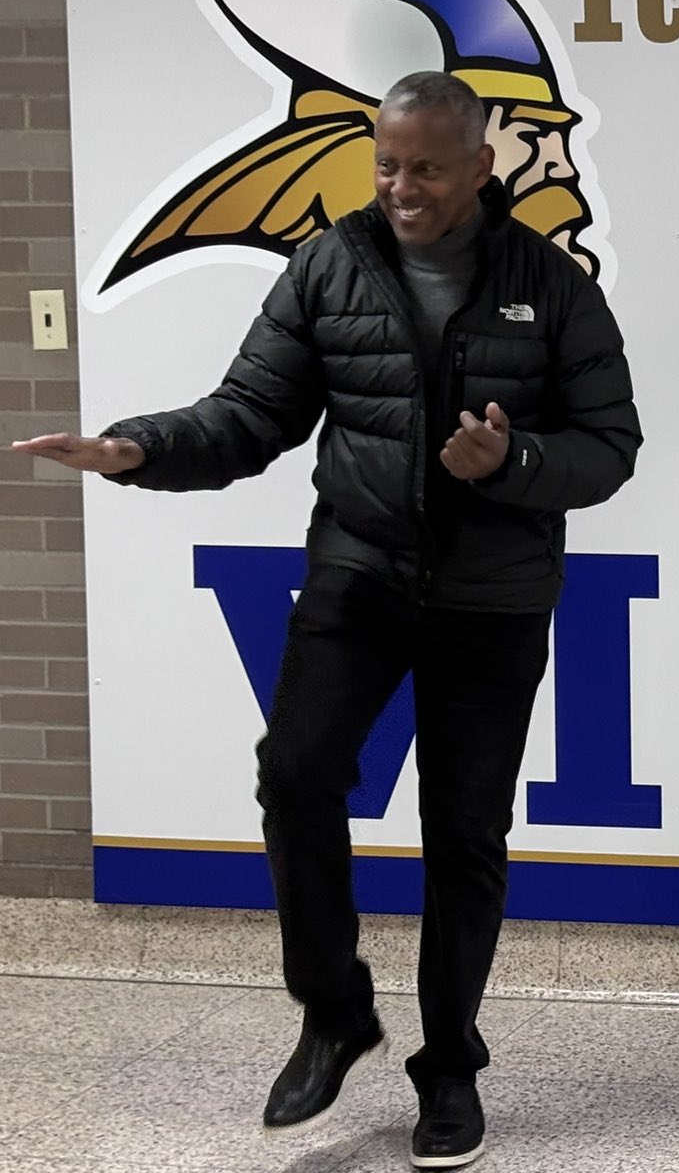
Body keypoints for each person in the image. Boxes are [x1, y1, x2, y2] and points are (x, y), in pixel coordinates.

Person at [15, 70, 640, 1170]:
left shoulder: (549, 282)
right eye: (387, 164)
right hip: (360, 576)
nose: (402, 186)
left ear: (481, 166)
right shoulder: (329, 265)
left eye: (427, 167)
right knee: (296, 774)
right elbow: (248, 414)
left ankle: (449, 1069)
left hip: (493, 599)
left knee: (464, 835)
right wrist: (135, 448)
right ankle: (334, 1011)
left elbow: (608, 446)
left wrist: (512, 463)